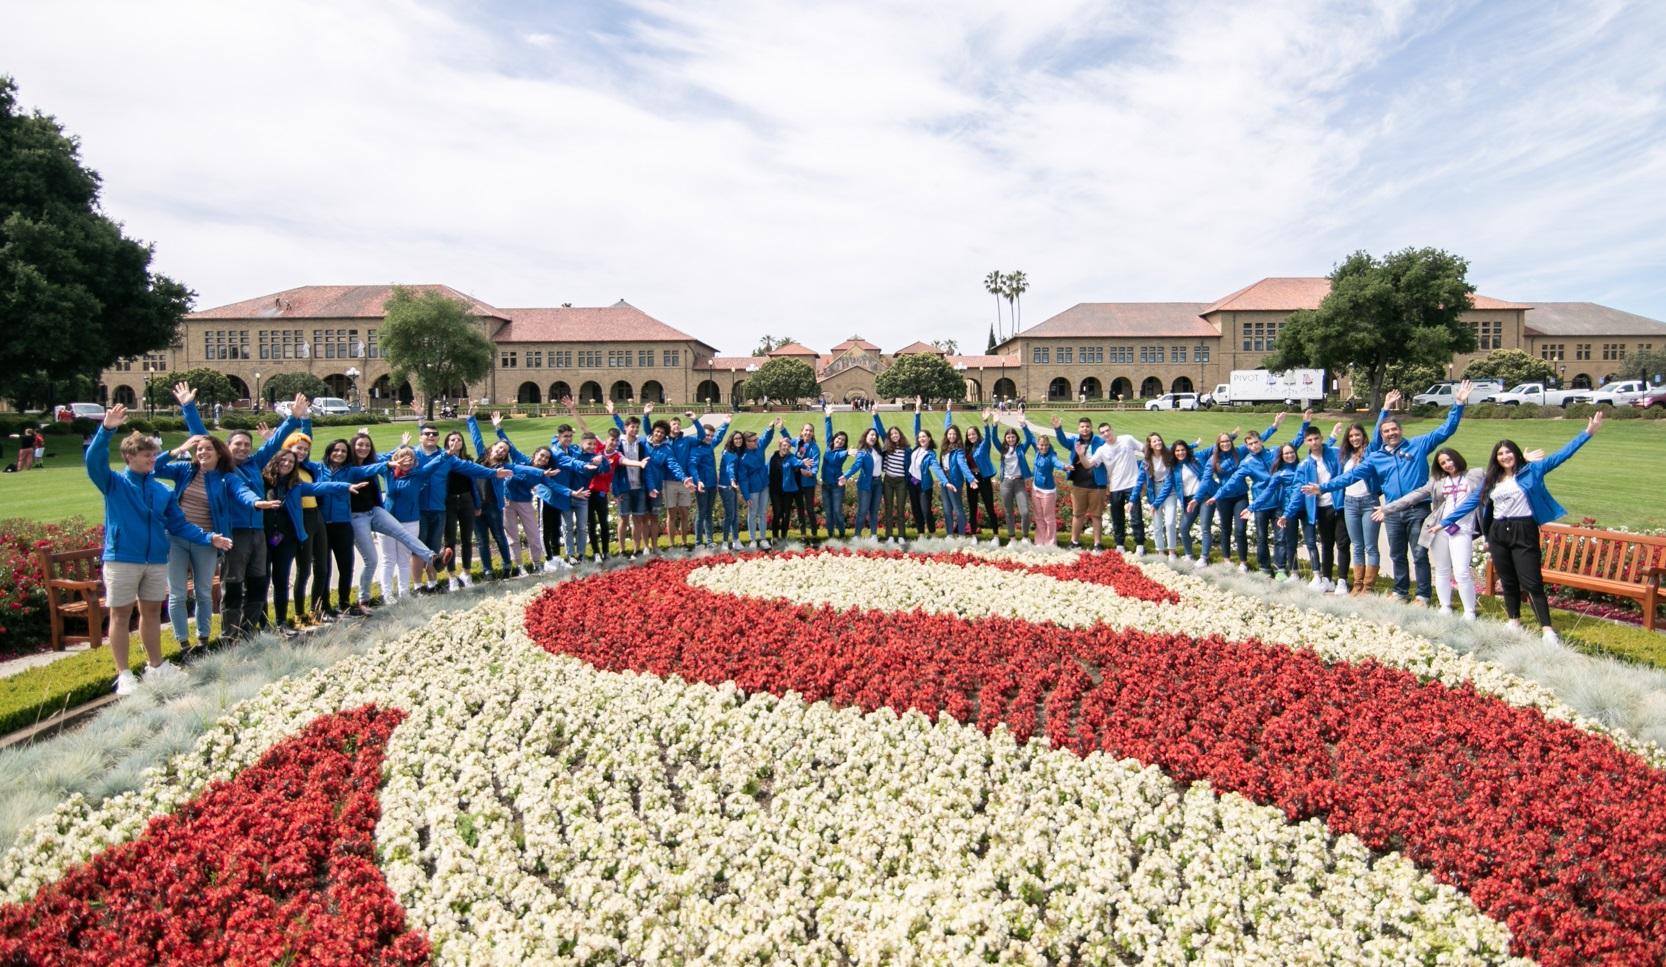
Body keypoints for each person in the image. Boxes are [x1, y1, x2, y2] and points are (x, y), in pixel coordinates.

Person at [85, 405, 233, 695]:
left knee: (151, 612)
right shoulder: (113, 483)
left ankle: (155, 667)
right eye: (147, 455)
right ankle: (124, 674)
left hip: (155, 560)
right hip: (122, 558)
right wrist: (106, 429)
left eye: (154, 454)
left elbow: (179, 525)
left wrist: (208, 538)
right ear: (129, 457)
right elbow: (94, 461)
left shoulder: (162, 491)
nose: (153, 459)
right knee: (120, 615)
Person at [1439, 412, 1603, 641]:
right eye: (1500, 453)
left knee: (1531, 580)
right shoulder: (1492, 480)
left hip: (1523, 529)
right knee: (1507, 580)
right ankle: (1513, 620)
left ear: (1515, 454)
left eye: (1508, 452)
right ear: (1496, 459)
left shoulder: (1532, 471)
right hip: (1498, 532)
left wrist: (1588, 433)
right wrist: (1445, 522)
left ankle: (1547, 629)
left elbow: (1562, 455)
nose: (1505, 456)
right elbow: (1470, 502)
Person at [1309, 384, 1474, 604]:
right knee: (1397, 555)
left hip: (1418, 509)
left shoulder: (1418, 445)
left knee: (1418, 554)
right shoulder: (1377, 457)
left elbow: (1446, 430)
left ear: (1400, 430)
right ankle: (1400, 592)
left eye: (1394, 430)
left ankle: (1423, 596)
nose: (1391, 434)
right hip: (1393, 510)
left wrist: (1459, 404)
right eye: (1386, 431)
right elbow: (1351, 476)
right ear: (1382, 435)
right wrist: (1323, 487)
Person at [177, 382, 306, 637]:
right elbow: (203, 438)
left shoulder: (255, 463)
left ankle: (249, 632)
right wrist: (188, 407)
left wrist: (293, 419)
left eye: (247, 444)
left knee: (259, 581)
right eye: (238, 444)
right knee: (234, 584)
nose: (243, 448)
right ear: (227, 447)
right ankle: (230, 634)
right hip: (235, 532)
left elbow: (275, 443)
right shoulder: (224, 467)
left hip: (258, 531)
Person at [248, 449, 363, 633]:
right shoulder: (261, 482)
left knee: (281, 580)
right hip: (264, 538)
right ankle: (264, 624)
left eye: (291, 462)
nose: (287, 464)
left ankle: (280, 622)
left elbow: (320, 487)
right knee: (262, 580)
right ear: (275, 460)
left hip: (285, 539)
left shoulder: (296, 486)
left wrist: (344, 486)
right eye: (283, 460)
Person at [151, 434, 241, 649]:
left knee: (203, 591)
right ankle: (183, 643)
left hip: (208, 540)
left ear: (219, 453)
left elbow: (242, 492)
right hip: (175, 538)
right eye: (199, 449)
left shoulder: (225, 477)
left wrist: (256, 503)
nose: (202, 452)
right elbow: (155, 468)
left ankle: (203, 639)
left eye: (208, 449)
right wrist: (178, 449)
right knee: (178, 592)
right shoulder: (185, 469)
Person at [1374, 447, 1483, 618]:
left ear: (1457, 457)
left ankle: (1469, 611)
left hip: (1463, 529)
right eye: (1443, 463)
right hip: (1439, 529)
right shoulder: (1438, 481)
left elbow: (1501, 473)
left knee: (1461, 571)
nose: (1448, 464)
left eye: (1450, 459)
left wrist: (1526, 461)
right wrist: (1388, 508)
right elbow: (1415, 495)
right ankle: (1445, 606)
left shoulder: (1475, 474)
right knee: (1442, 569)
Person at [345, 431, 437, 610]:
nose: (406, 460)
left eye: (367, 445)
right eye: (359, 445)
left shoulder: (415, 475)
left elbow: (432, 463)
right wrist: (398, 451)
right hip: (368, 517)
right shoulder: (382, 471)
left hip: (391, 516)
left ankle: (409, 586)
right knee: (384, 560)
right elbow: (372, 463)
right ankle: (386, 594)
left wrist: (446, 454)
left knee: (403, 557)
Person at [1283, 424, 1348, 592]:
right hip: (1320, 507)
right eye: (1310, 440)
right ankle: (1326, 579)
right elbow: (1299, 490)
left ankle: (1342, 580)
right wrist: (1287, 513)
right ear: (1305, 442)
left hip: (1338, 505)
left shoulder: (1335, 453)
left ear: (1321, 438)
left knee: (1342, 544)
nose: (1314, 442)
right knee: (1326, 544)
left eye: (1316, 438)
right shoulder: (1304, 465)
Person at [1336, 417, 1385, 596]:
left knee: (1370, 546)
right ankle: (1357, 585)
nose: (1354, 438)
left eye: (1357, 435)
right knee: (1357, 545)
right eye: (1351, 436)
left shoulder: (1370, 452)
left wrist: (1385, 410)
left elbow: (1378, 433)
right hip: (1350, 503)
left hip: (1368, 502)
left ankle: (1368, 587)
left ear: (1363, 435)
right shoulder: (1345, 456)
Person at [1054, 416, 1106, 550]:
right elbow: (1063, 441)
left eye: (1087, 426)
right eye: (1082, 427)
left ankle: (1097, 544)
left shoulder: (1099, 441)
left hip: (1097, 484)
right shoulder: (1074, 440)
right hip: (1079, 484)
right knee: (1077, 514)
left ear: (1091, 428)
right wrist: (1058, 429)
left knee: (1096, 516)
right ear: (1078, 429)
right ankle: (1074, 542)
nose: (1085, 429)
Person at [439, 426, 482, 586]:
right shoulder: (442, 460)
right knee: (449, 540)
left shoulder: (468, 461)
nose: (455, 442)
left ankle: (466, 573)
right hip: (448, 502)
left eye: (458, 440)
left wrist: (477, 504)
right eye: (452, 439)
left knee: (467, 539)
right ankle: (451, 577)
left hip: (466, 501)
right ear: (446, 443)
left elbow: (474, 487)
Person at [873, 404, 920, 542]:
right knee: (888, 509)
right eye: (892, 434)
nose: (894, 435)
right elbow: (881, 430)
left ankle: (900, 536)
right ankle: (889, 536)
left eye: (896, 433)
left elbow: (917, 434)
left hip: (901, 482)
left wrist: (917, 412)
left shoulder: (907, 449)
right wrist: (875, 414)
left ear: (900, 435)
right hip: (888, 480)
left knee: (900, 509)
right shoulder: (887, 446)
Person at [985, 413, 1034, 542]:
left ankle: (1025, 537)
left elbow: (1030, 438)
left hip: (1019, 482)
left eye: (1013, 437)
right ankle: (1012, 538)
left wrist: (1023, 424)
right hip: (1006, 483)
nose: (1011, 439)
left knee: (1024, 512)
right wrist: (995, 424)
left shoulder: (1021, 448)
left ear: (1016, 438)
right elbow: (994, 438)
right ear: (1005, 438)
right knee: (1008, 512)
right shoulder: (1003, 449)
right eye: (1008, 437)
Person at [1130, 433, 1179, 561]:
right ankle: (1160, 552)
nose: (1157, 443)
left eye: (1159, 440)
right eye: (1154, 441)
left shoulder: (1168, 455)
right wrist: (1131, 500)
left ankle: (1172, 551)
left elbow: (1169, 483)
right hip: (1154, 492)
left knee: (1170, 522)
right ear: (1150, 445)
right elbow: (1140, 481)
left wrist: (1156, 503)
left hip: (1169, 492)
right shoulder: (1146, 461)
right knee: (1157, 524)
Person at [689, 412, 731, 548]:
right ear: (701, 434)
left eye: (711, 436)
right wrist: (698, 480)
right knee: (701, 513)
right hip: (702, 485)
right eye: (707, 435)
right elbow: (692, 466)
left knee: (708, 512)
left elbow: (719, 437)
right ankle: (698, 542)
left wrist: (725, 424)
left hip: (712, 484)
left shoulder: (710, 445)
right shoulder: (696, 448)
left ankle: (709, 541)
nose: (710, 438)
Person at [1030, 433, 1070, 547]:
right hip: (1035, 488)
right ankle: (1039, 542)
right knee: (1038, 517)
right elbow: (1030, 436)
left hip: (1047, 491)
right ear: (1038, 445)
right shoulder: (1037, 452)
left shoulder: (1051, 456)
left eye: (1046, 445)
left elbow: (1056, 462)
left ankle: (1050, 543)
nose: (1044, 447)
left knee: (1048, 518)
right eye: (1042, 445)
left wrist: (1064, 466)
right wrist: (1023, 424)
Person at [1170, 440, 1205, 562]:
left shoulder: (1195, 459)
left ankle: (1204, 558)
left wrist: (1231, 437)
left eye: (1183, 450)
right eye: (1177, 450)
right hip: (1189, 500)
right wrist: (1193, 444)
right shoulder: (1174, 468)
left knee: (1205, 527)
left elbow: (1215, 448)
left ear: (1187, 450)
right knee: (1184, 528)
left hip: (1203, 496)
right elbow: (1164, 450)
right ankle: (1189, 555)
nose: (1180, 453)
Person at [846, 426, 882, 539]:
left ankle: (874, 535)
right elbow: (856, 466)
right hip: (865, 484)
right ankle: (857, 535)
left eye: (875, 435)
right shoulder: (862, 452)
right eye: (871, 435)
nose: (873, 437)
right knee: (863, 510)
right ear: (865, 437)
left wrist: (875, 415)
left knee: (874, 511)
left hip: (878, 483)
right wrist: (846, 476)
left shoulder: (879, 450)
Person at [821, 405, 850, 538]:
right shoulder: (828, 446)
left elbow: (842, 454)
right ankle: (831, 535)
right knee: (828, 511)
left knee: (837, 511)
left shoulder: (842, 453)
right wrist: (828, 416)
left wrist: (849, 452)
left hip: (837, 486)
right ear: (834, 439)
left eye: (843, 440)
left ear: (844, 444)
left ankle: (842, 534)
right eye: (838, 438)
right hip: (826, 485)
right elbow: (828, 431)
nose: (839, 441)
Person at [790, 419, 821, 538]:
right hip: (796, 482)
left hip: (808, 483)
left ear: (813, 433)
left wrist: (808, 472)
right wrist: (781, 428)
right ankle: (803, 534)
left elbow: (814, 468)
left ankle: (814, 534)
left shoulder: (814, 448)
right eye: (806, 430)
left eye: (810, 431)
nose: (808, 432)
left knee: (810, 509)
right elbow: (787, 440)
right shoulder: (798, 442)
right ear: (802, 432)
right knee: (800, 509)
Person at [719, 432, 748, 549]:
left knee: (735, 514)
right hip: (726, 487)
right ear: (731, 440)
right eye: (736, 438)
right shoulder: (729, 453)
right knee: (730, 515)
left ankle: (736, 540)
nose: (738, 440)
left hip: (732, 486)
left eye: (740, 438)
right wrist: (732, 480)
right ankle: (725, 542)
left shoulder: (737, 452)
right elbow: (729, 468)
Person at [767, 430, 796, 543]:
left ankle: (784, 536)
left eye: (788, 446)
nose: (786, 448)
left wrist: (803, 464)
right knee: (777, 512)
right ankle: (775, 536)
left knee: (786, 514)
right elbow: (766, 470)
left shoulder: (791, 457)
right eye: (784, 445)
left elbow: (797, 462)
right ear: (780, 446)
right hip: (775, 491)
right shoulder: (773, 457)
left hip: (787, 491)